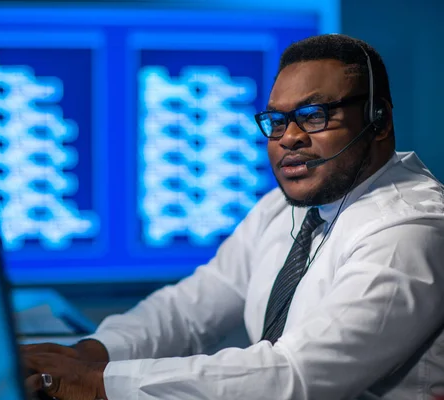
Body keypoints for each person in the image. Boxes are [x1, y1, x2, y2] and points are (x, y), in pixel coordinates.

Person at [22, 34, 444, 400]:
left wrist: (100, 383)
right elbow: (192, 308)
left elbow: (297, 377)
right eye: (277, 121)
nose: (290, 137)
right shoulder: (285, 208)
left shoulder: (409, 232)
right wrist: (92, 352)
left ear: (379, 121)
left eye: (315, 115)